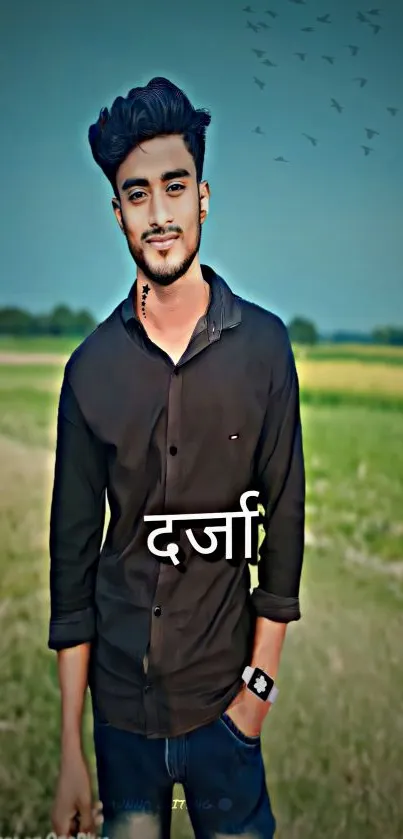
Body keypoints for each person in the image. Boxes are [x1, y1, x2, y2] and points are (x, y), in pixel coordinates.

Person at [48, 76, 306, 839]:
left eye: (173, 186)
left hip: (225, 713)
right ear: (117, 210)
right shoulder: (88, 370)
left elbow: (282, 533)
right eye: (136, 194)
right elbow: (71, 570)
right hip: (121, 719)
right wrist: (70, 745)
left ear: (202, 194)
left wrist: (253, 698)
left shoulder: (263, 349)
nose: (158, 214)